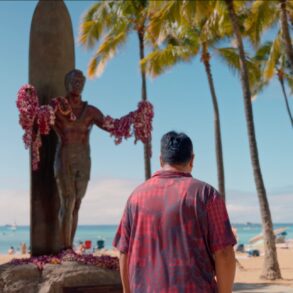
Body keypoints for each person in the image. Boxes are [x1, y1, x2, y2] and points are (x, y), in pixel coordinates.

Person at [113, 131, 236, 293]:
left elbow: (124, 253)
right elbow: (225, 254)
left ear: (161, 159)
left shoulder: (136, 197)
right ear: (192, 160)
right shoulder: (206, 194)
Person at [53, 69, 108, 249]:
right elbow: (39, 122)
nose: (78, 84)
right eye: (74, 81)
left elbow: (110, 125)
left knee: (77, 203)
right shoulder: (57, 108)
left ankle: (69, 247)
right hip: (65, 156)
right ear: (66, 83)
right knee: (68, 201)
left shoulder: (90, 111)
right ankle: (65, 248)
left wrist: (134, 119)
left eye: (81, 81)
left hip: (84, 159)